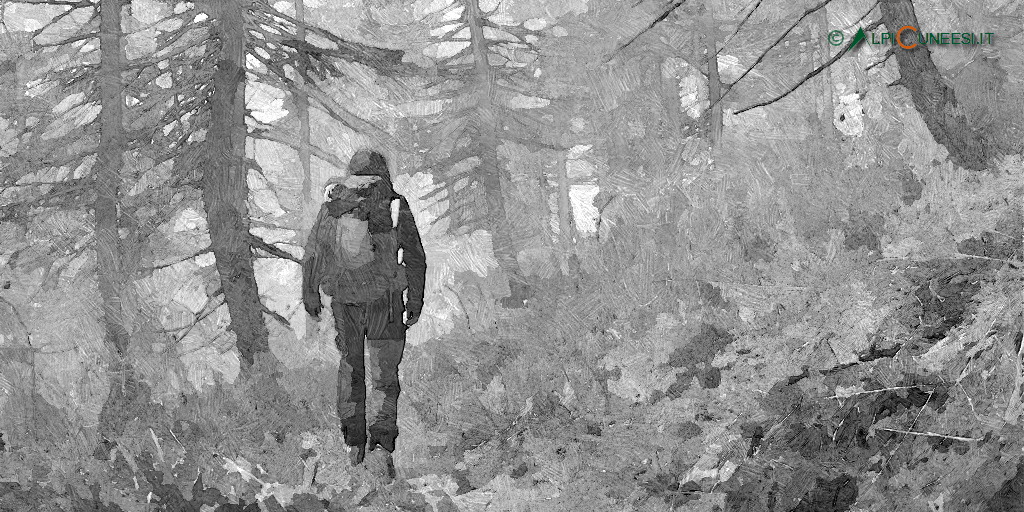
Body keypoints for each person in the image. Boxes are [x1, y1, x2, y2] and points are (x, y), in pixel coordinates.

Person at [301, 150, 426, 466]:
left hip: (345, 301)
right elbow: (414, 257)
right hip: (386, 302)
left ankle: (353, 445)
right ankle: (381, 448)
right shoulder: (395, 205)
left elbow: (315, 252)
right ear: (384, 173)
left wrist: (311, 295)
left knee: (351, 368)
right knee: (385, 376)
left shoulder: (334, 205)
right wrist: (415, 300)